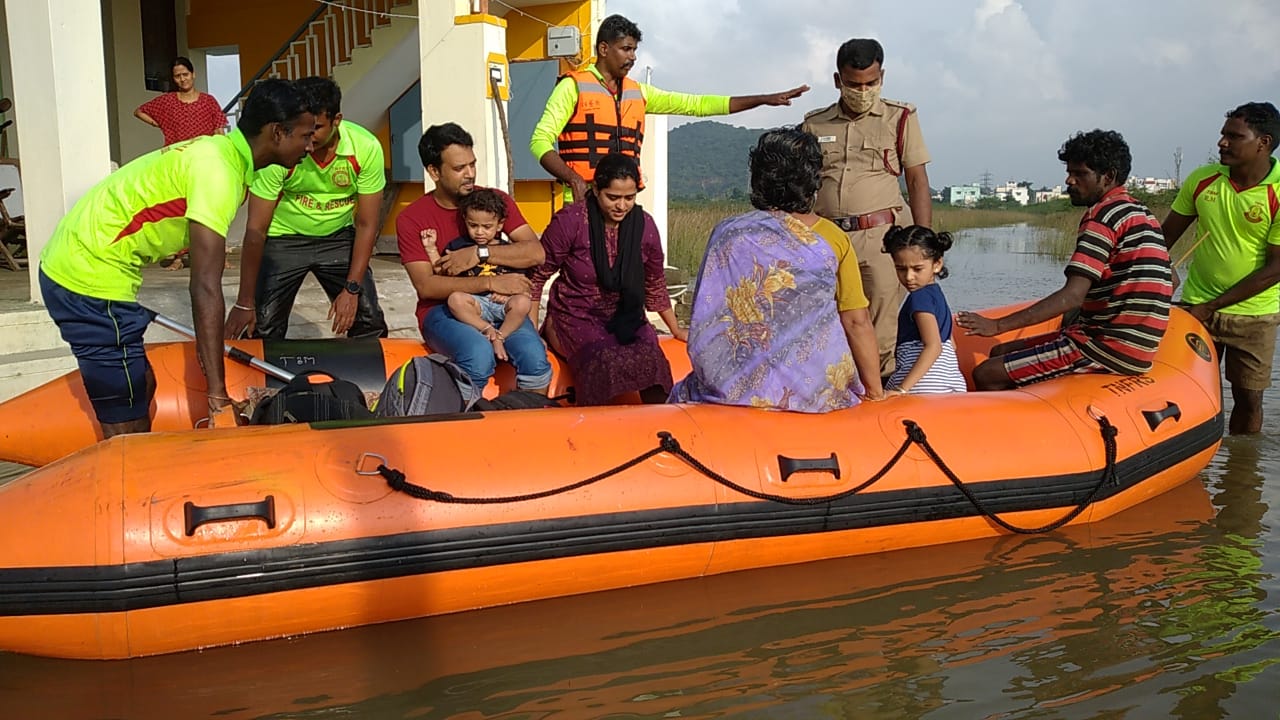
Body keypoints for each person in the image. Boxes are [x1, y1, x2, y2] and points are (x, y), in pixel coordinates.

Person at [40, 78, 315, 438]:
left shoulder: (220, 153)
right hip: (88, 274)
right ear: (277, 133)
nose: (311, 146)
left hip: (84, 261)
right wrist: (217, 395)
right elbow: (204, 286)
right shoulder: (218, 172)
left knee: (145, 384)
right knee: (125, 410)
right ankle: (129, 481)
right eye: (305, 135)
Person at [670, 127, 884, 412]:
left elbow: (708, 315)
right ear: (813, 182)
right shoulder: (833, 238)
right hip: (815, 394)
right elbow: (856, 321)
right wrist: (875, 392)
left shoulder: (728, 233)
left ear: (758, 180)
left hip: (732, 392)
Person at [956, 130, 1172, 390]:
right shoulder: (1142, 214)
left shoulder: (1101, 217)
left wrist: (997, 324)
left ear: (1108, 176)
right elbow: (1172, 278)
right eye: (1069, 172)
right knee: (1002, 351)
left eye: (1080, 174)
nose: (1069, 181)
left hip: (1103, 347)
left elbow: (1072, 296)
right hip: (1135, 347)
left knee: (987, 373)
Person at [530, 13, 810, 203]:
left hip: (625, 204)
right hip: (584, 202)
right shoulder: (572, 87)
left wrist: (763, 99)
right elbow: (539, 141)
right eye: (625, 49)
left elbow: (697, 105)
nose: (632, 57)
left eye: (634, 50)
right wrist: (574, 178)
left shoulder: (638, 92)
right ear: (604, 49)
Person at [802, 38, 933, 380]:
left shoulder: (900, 117)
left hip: (881, 239)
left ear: (882, 77)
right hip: (827, 239)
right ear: (837, 80)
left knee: (880, 326)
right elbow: (802, 185)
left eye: (871, 83)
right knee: (828, 320)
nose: (863, 90)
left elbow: (918, 180)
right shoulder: (815, 124)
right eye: (854, 84)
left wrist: (924, 243)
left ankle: (880, 395)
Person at [225, 77, 388, 341]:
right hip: (284, 240)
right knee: (262, 328)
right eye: (304, 130)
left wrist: (352, 289)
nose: (309, 140)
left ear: (337, 120)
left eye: (317, 128)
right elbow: (256, 229)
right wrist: (245, 302)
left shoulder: (365, 148)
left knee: (369, 322)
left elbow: (367, 224)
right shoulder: (282, 152)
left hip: (337, 239)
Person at [396, 123, 552, 393]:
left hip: (503, 308)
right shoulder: (412, 219)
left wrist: (480, 253)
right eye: (459, 169)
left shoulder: (494, 202)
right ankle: (466, 425)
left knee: (534, 357)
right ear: (434, 171)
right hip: (444, 310)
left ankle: (530, 424)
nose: (470, 174)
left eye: (472, 164)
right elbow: (426, 286)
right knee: (478, 355)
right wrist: (490, 283)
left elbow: (535, 253)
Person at [1160, 102, 1280, 435]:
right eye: (1222, 135)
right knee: (1184, 389)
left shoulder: (1278, 190)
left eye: (1233, 136)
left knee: (1248, 398)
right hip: (1196, 308)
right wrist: (1159, 270)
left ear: (1263, 142)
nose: (1221, 143)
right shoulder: (1203, 180)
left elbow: (1275, 269)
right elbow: (1163, 239)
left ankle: (1240, 473)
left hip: (1254, 315)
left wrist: (1210, 306)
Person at [531, 153, 685, 405]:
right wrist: (530, 333)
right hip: (574, 316)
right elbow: (537, 277)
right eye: (612, 197)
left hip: (626, 316)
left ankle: (662, 432)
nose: (621, 206)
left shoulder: (644, 226)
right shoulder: (571, 221)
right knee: (603, 359)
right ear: (595, 189)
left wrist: (675, 329)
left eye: (629, 198)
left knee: (653, 359)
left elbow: (654, 283)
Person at [428, 188, 534, 363]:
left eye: (487, 227)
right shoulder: (458, 247)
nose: (479, 232)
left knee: (523, 302)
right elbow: (442, 272)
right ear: (465, 221)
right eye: (473, 225)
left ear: (500, 225)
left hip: (502, 303)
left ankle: (501, 335)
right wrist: (431, 249)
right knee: (455, 299)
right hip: (476, 303)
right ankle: (487, 329)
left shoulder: (508, 250)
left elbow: (521, 282)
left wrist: (510, 294)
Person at [882, 225, 966, 394]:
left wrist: (901, 389)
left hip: (923, 387)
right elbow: (951, 345)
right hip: (951, 383)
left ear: (937, 264)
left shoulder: (918, 298)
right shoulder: (939, 296)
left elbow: (933, 346)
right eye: (901, 269)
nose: (908, 277)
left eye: (917, 269)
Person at [134, 56, 228, 147]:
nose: (182, 79)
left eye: (185, 74)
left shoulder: (208, 101)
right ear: (173, 78)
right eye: (178, 76)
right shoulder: (168, 101)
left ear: (193, 74)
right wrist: (159, 124)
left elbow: (219, 131)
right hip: (177, 155)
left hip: (203, 155)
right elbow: (139, 112)